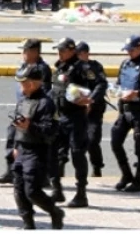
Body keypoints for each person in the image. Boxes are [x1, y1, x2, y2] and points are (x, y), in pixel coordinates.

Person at [10, 64, 64, 230]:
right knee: (19, 189)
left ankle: (54, 211)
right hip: (22, 149)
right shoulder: (23, 101)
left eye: (24, 83)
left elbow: (51, 131)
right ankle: (28, 223)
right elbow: (15, 126)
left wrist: (30, 126)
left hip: (37, 151)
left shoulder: (46, 104)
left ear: (33, 83)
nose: (21, 87)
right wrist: (15, 145)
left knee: (32, 190)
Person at [0, 39, 53, 185]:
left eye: (26, 51)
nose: (23, 54)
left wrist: (35, 109)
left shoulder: (42, 69)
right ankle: (11, 170)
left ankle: (43, 175)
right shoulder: (23, 66)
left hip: (34, 110)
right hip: (22, 107)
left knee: (35, 142)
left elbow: (44, 91)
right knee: (12, 137)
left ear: (35, 52)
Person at [48, 37, 96, 207]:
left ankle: (81, 194)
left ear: (71, 50)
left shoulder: (82, 68)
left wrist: (90, 99)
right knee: (53, 154)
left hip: (75, 118)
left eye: (62, 50)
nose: (59, 53)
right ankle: (56, 190)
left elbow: (99, 85)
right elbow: (53, 91)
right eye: (58, 50)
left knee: (77, 154)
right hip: (59, 117)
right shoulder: (60, 67)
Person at [109, 35, 140, 192]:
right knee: (116, 142)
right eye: (127, 50)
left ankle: (139, 180)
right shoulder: (125, 64)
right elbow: (119, 83)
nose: (129, 53)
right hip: (125, 110)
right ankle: (126, 174)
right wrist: (114, 91)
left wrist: (137, 93)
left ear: (139, 48)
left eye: (131, 50)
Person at [76, 41, 108, 177]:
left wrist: (91, 101)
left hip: (94, 109)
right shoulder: (72, 67)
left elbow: (101, 85)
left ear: (85, 53)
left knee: (92, 139)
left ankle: (97, 166)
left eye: (79, 53)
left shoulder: (95, 67)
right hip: (76, 109)